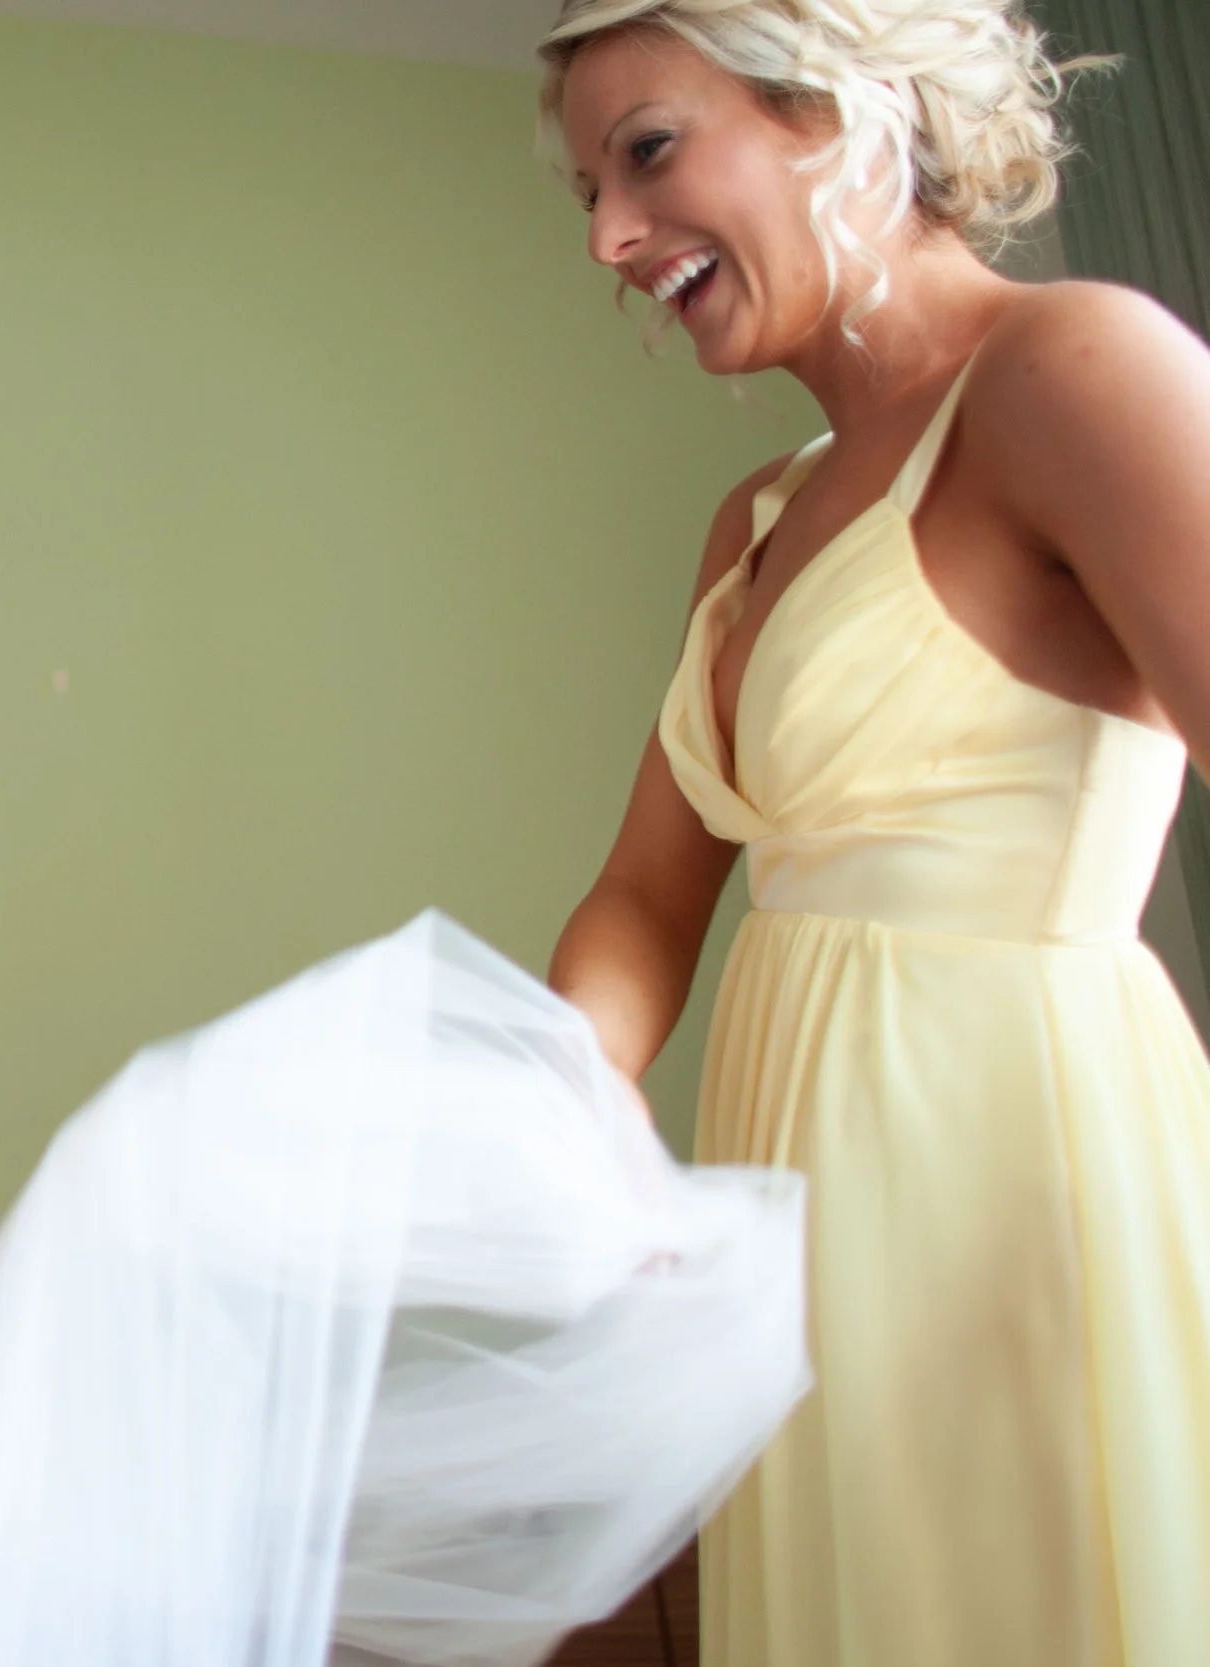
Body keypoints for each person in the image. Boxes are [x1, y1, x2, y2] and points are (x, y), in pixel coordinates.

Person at [538, 2, 1210, 1661]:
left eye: (647, 152)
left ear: (836, 109)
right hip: (796, 1218)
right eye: (589, 197)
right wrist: (548, 1103)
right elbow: (643, 897)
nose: (615, 237)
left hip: (1016, 1186)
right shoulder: (751, 523)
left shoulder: (1074, 369)